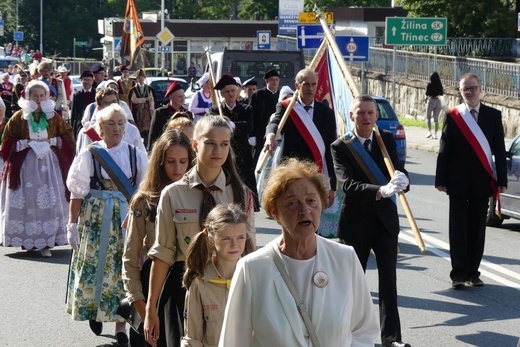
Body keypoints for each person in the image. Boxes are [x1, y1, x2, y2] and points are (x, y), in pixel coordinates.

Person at [219, 158, 379, 346]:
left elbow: (364, 331)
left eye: (312, 201)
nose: (305, 210)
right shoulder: (252, 269)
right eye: (292, 203)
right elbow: (233, 341)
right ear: (274, 212)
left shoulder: (345, 258)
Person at [144, 116, 255, 347]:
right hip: (184, 285)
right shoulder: (173, 194)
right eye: (210, 143)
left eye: (224, 144)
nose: (218, 150)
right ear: (195, 145)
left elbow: (250, 251)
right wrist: (150, 307)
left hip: (228, 287)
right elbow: (163, 253)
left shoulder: (240, 194)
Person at [330, 94, 411, 347]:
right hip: (357, 222)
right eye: (360, 113)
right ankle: (349, 335)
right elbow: (348, 184)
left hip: (386, 222)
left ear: (376, 116)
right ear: (352, 115)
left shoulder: (384, 140)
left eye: (370, 113)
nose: (366, 117)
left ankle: (392, 339)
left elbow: (397, 170)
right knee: (352, 283)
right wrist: (380, 190)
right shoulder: (341, 146)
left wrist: (403, 181)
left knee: (389, 281)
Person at [66, 103, 148, 346]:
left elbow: (144, 192)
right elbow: (77, 193)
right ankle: (95, 311)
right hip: (96, 220)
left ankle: (121, 326)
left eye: (121, 123)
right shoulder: (90, 154)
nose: (117, 128)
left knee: (123, 270)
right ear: (100, 128)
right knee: (97, 268)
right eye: (111, 123)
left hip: (126, 221)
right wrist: (72, 224)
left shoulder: (136, 155)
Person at [123, 129, 196, 347]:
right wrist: (141, 304)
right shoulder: (143, 202)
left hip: (188, 288)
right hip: (152, 286)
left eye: (183, 161)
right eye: (170, 161)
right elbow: (129, 258)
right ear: (159, 162)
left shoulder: (199, 196)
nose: (177, 168)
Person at [435, 73, 507, 289]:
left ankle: (473, 273)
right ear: (460, 91)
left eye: (473, 88)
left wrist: (501, 179)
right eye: (465, 89)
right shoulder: (453, 115)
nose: (470, 92)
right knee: (457, 228)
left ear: (480, 89)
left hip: (482, 182)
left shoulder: (493, 115)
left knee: (477, 229)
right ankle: (458, 274)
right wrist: (440, 179)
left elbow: (499, 151)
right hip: (457, 182)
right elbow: (444, 150)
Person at [0, 80, 75, 257]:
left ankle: (46, 242)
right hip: (24, 167)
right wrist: (24, 143)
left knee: (48, 201)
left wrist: (53, 141)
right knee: (26, 202)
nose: (39, 99)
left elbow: (68, 135)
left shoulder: (53, 117)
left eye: (42, 96)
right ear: (28, 96)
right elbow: (6, 141)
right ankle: (26, 239)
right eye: (36, 95)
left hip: (49, 167)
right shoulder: (19, 117)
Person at [181, 204, 254, 347]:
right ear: (211, 238)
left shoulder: (254, 279)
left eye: (241, 237)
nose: (235, 244)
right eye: (226, 238)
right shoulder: (200, 285)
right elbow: (192, 339)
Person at [265, 68, 337, 208]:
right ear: (297, 85)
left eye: (313, 84)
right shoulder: (287, 107)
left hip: (315, 174)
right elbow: (275, 122)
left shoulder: (326, 113)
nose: (310, 88)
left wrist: (331, 186)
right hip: (291, 172)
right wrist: (271, 135)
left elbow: (329, 149)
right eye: (306, 84)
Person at [208, 74, 259, 211]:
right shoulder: (215, 110)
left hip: (242, 152)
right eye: (227, 91)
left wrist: (233, 125)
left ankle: (247, 208)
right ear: (222, 94)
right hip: (222, 152)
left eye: (233, 90)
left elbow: (249, 126)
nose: (230, 94)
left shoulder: (246, 109)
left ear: (237, 91)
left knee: (244, 182)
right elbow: (210, 127)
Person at [76, 87, 145, 154]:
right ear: (99, 108)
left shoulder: (132, 130)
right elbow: (84, 161)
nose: (111, 106)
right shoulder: (91, 133)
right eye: (106, 103)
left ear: (119, 104)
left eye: (113, 102)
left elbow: (142, 157)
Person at [148, 81, 192, 151]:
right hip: (163, 149)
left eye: (183, 96)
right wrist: (150, 153)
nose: (182, 99)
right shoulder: (159, 113)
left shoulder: (187, 114)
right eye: (179, 96)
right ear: (171, 97)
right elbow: (153, 136)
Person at [250, 69, 280, 164]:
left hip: (275, 133)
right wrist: (252, 135)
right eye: (272, 80)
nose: (274, 82)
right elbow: (251, 115)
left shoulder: (281, 96)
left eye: (276, 80)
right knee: (257, 159)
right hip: (259, 132)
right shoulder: (258, 94)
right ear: (266, 81)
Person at [129, 68, 155, 147]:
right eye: (139, 77)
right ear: (137, 78)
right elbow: (133, 100)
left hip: (146, 111)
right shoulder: (133, 89)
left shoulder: (149, 89)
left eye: (142, 77)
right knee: (138, 128)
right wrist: (144, 99)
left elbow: (151, 100)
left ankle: (147, 144)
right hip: (138, 111)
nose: (140, 79)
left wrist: (152, 110)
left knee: (147, 129)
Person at [71, 70, 96, 136]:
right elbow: (74, 113)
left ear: (92, 82)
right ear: (81, 81)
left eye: (89, 80)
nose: (87, 82)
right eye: (85, 80)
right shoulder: (77, 95)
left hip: (94, 122)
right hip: (80, 123)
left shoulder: (97, 93)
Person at [425, 72, 444, 139]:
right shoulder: (439, 84)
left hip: (431, 100)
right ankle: (435, 134)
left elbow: (427, 93)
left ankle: (429, 132)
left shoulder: (429, 84)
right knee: (436, 119)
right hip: (437, 101)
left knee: (428, 117)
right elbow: (441, 93)